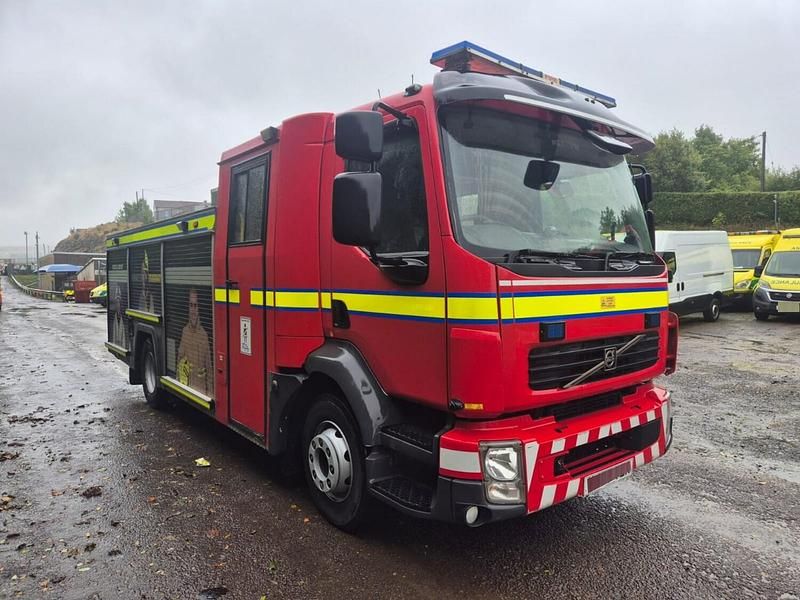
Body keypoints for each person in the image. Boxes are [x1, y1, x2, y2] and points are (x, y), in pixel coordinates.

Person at [177, 288, 212, 396]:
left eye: (195, 305)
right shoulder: (184, 332)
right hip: (187, 391)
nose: (193, 310)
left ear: (199, 308)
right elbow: (179, 363)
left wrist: (210, 395)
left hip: (201, 393)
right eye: (190, 305)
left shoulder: (204, 335)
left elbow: (209, 371)